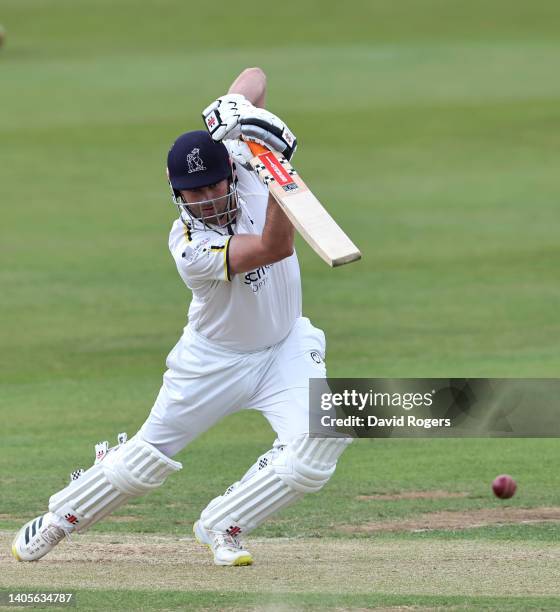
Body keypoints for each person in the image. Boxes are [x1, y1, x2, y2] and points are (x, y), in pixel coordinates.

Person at [11, 67, 351, 567]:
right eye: (193, 193)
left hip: (285, 346)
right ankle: (59, 518)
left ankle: (223, 523)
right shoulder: (190, 245)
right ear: (177, 193)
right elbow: (275, 247)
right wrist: (279, 164)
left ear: (231, 172)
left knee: (321, 442)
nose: (207, 199)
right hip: (213, 361)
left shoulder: (237, 154)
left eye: (214, 187)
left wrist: (239, 112)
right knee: (144, 463)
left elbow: (253, 77)